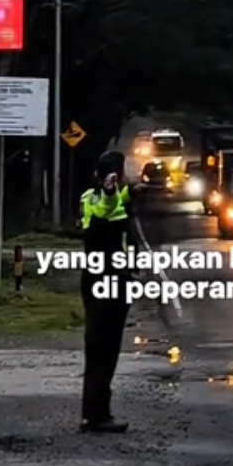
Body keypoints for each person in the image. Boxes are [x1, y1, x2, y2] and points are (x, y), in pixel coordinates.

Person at [78, 150, 138, 433]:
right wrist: (110, 190)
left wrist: (130, 190)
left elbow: (121, 201)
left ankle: (98, 412)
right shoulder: (101, 199)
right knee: (102, 349)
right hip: (105, 280)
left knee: (104, 349)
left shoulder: (97, 197)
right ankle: (95, 415)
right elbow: (106, 206)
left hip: (107, 279)